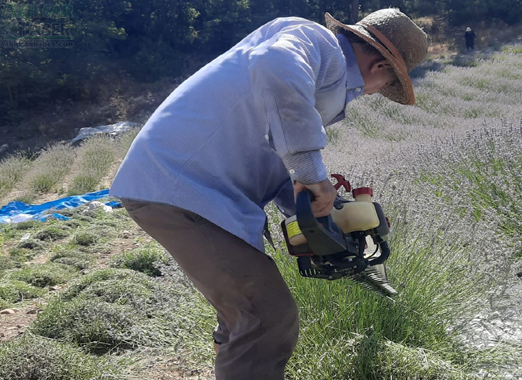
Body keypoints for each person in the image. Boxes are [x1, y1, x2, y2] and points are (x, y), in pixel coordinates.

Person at [109, 8, 428, 380]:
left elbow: (275, 156)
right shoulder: (316, 42)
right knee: (265, 316)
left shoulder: (312, 64)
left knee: (241, 317)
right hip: (181, 186)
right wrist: (311, 172)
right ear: (378, 67)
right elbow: (274, 63)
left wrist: (320, 207)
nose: (368, 95)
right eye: (376, 89)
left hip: (191, 189)